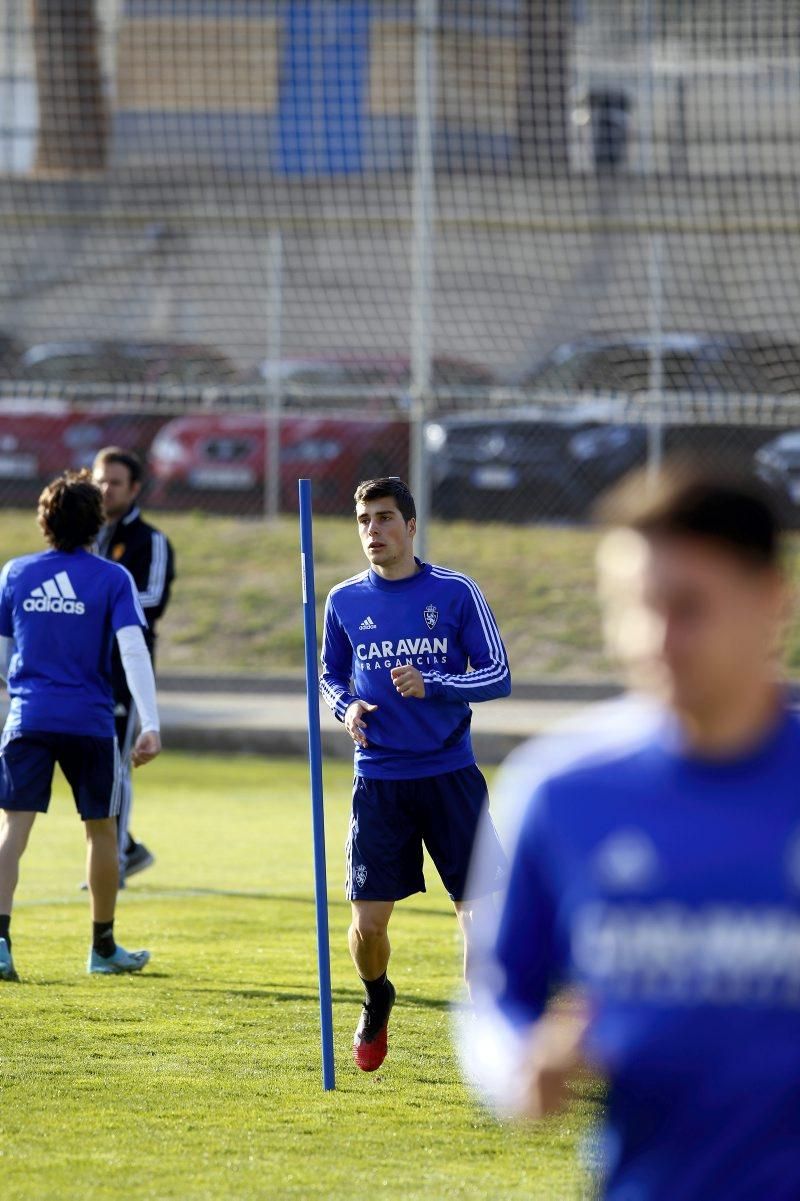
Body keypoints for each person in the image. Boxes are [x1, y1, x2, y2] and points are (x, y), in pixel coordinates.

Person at [464, 458, 800, 1200]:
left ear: (772, 600)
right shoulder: (561, 790)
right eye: (632, 605)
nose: (655, 636)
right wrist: (521, 1063)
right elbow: (496, 998)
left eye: (687, 605)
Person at [320, 476, 510, 1072]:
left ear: (410, 526)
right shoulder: (344, 600)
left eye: (383, 518)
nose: (372, 531)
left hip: (451, 776)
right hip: (378, 781)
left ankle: (490, 1044)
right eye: (363, 521)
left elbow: (498, 674)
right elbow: (329, 675)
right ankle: (377, 997)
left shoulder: (455, 591)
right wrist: (345, 707)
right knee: (367, 927)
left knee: (480, 918)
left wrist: (437, 685)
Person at [0, 469, 161, 981]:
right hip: (90, 724)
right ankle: (103, 947)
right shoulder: (112, 578)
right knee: (101, 833)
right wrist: (150, 723)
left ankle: (0, 945)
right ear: (95, 522)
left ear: (44, 521)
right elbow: (133, 650)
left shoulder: (15, 574)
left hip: (28, 718)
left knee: (12, 831)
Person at [92, 446, 174, 883]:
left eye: (115, 482)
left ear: (135, 488)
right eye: (100, 480)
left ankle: (115, 862)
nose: (105, 490)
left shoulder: (150, 541)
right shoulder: (80, 537)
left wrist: (95, 605)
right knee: (89, 763)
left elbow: (152, 600)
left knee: (116, 765)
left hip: (124, 671)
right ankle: (122, 847)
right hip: (82, 671)